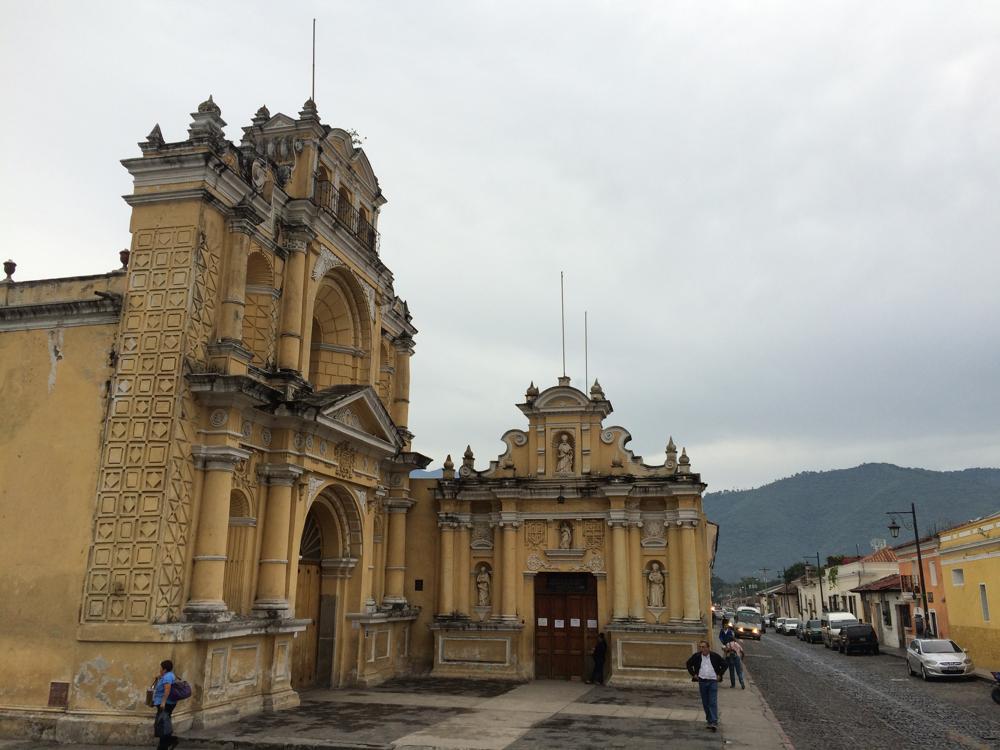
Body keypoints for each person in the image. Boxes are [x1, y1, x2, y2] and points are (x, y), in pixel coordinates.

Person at [686, 640, 727, 732]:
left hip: (713, 681)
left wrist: (720, 674)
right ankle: (709, 720)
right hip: (702, 681)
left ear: (708, 648)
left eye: (704, 647)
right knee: (705, 702)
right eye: (700, 647)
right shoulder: (697, 657)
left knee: (712, 702)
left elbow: (725, 664)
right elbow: (688, 664)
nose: (702, 649)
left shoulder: (715, 656)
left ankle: (714, 722)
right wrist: (693, 674)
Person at [152, 659, 179, 750]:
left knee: (162, 724)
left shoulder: (167, 677)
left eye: (161, 668)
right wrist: (159, 676)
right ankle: (167, 742)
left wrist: (163, 702)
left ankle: (165, 744)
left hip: (165, 704)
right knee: (164, 723)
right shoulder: (170, 675)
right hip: (168, 703)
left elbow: (167, 690)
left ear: (164, 669)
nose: (160, 669)